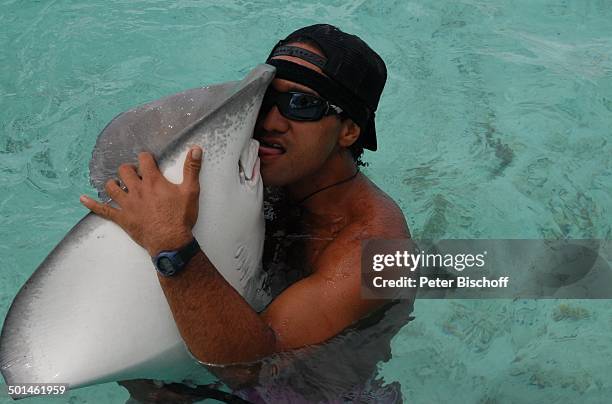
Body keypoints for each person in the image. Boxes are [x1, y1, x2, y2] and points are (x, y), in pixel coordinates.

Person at [80, 24, 414, 403]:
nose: (270, 122)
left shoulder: (380, 252)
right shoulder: (268, 176)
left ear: (349, 130)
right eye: (264, 100)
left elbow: (250, 369)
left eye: (300, 104)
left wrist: (170, 243)